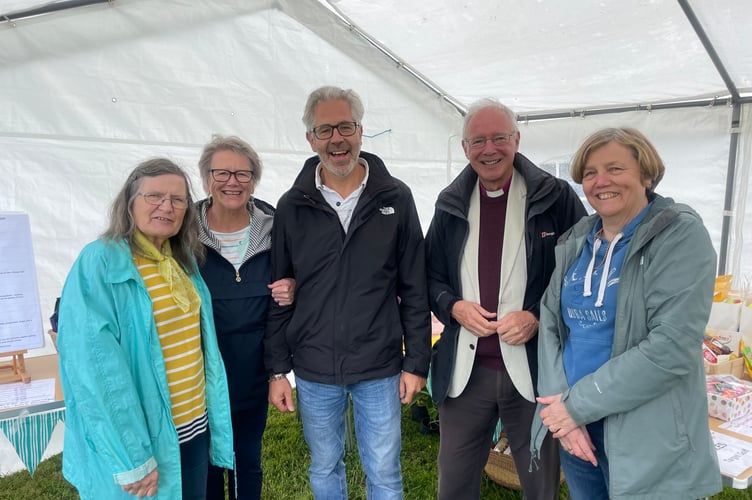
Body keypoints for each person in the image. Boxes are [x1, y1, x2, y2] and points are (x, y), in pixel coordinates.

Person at [531, 127, 722, 499]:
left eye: (615, 168)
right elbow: (551, 323)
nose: (601, 181)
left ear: (646, 174)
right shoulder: (577, 239)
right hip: (577, 427)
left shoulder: (679, 235)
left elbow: (672, 347)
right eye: (589, 173)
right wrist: (561, 410)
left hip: (646, 431)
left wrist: (574, 407)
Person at [264, 85, 431, 499]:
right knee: (324, 466)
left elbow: (414, 286)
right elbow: (279, 289)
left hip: (379, 364)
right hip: (315, 366)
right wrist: (277, 370)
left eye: (345, 127)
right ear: (310, 139)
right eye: (325, 130)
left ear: (360, 130)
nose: (336, 139)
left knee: (385, 473)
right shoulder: (292, 206)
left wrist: (417, 363)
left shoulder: (396, 198)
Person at [425, 98, 586, 500]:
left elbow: (583, 273)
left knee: (540, 485)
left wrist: (535, 316)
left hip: (535, 373)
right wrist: (453, 306)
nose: (489, 149)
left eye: (499, 138)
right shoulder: (450, 203)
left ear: (516, 139)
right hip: (466, 373)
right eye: (478, 140)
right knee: (454, 484)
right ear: (464, 148)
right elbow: (428, 276)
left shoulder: (555, 197)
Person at [57, 158, 234, 499]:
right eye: (154, 196)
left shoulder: (180, 260)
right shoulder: (101, 262)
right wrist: (132, 457)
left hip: (193, 429)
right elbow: (95, 370)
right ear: (130, 202)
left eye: (178, 199)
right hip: (144, 442)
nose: (166, 206)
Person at [196, 135, 294, 500]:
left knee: (246, 462)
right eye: (222, 172)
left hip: (253, 371)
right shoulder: (181, 233)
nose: (232, 182)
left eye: (243, 173)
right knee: (205, 467)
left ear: (254, 180)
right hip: (199, 376)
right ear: (207, 179)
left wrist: (277, 373)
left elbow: (300, 282)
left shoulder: (277, 230)